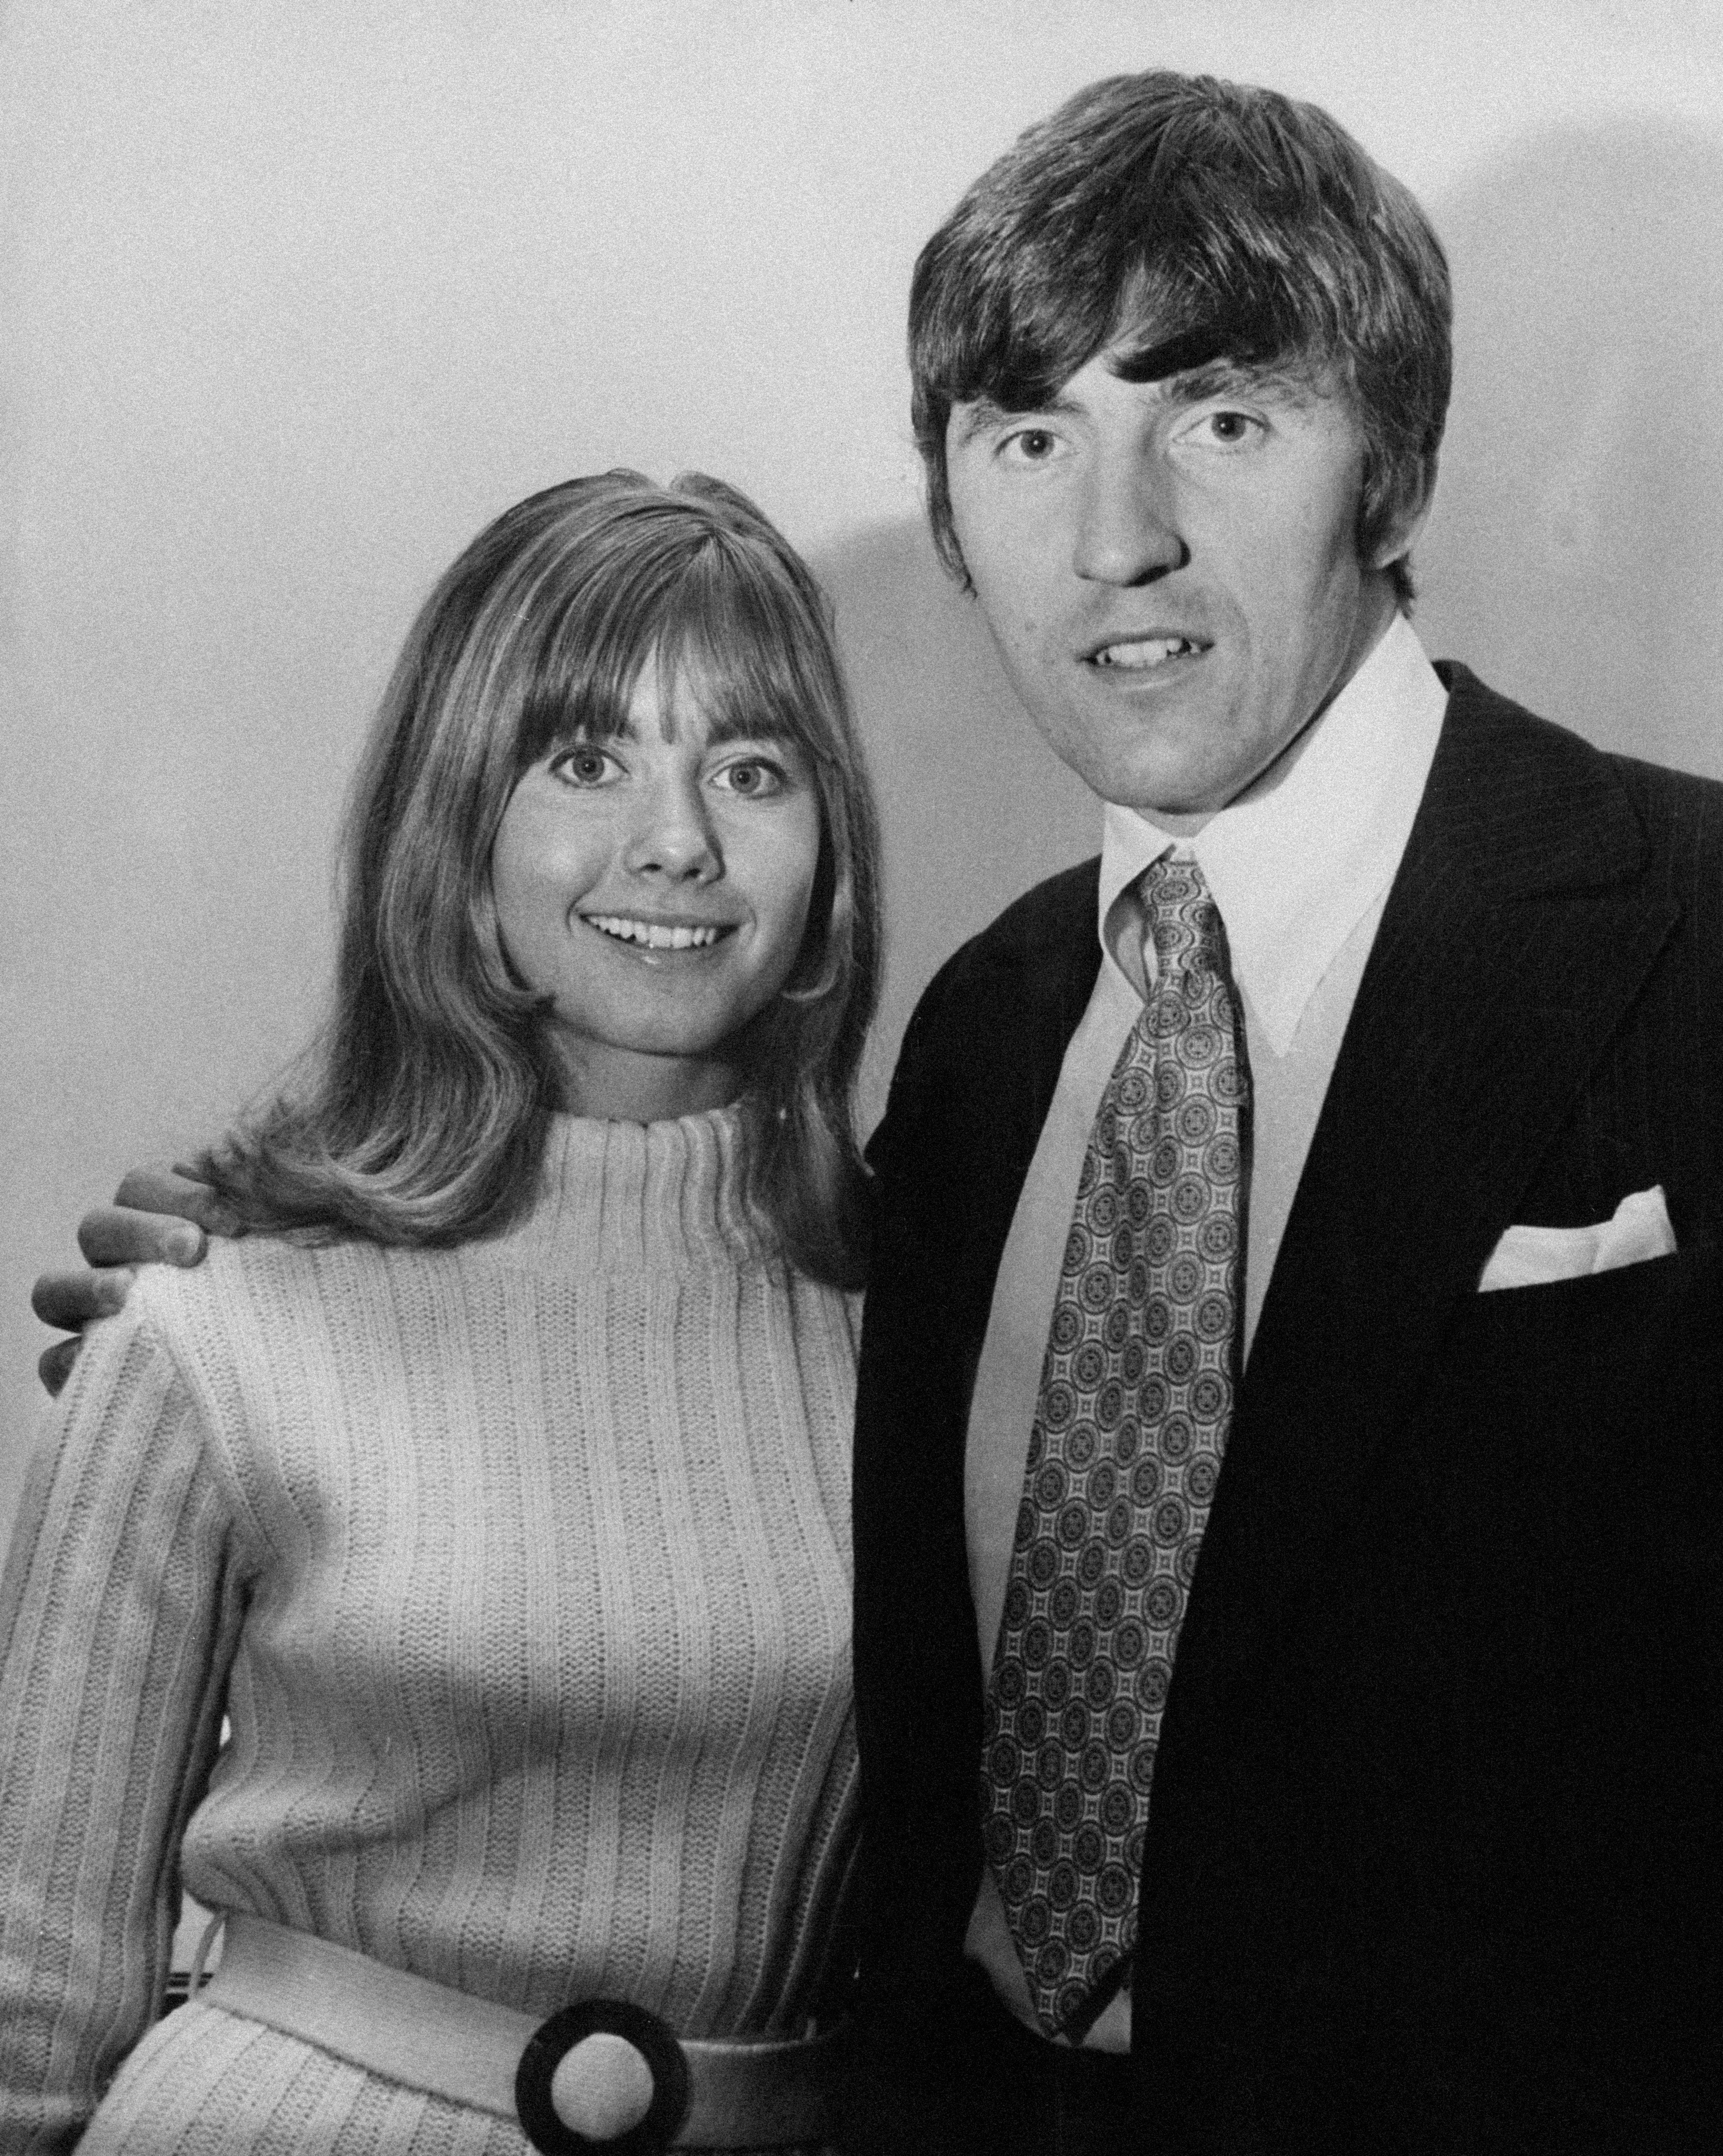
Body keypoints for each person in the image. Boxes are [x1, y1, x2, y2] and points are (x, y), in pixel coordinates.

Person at [32, 67, 1723, 2156]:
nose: (1119, 535)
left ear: (1393, 463)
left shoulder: (1693, 936)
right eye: (1032, 438)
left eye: (1220, 415)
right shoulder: (996, 1041)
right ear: (950, 510)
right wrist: (257, 1253)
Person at [2, 468, 881, 2153]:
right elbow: (28, 2007)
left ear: (827, 864)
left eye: (752, 770)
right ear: (460, 836)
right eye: (586, 760)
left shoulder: (925, 1334)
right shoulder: (211, 1316)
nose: (680, 838)